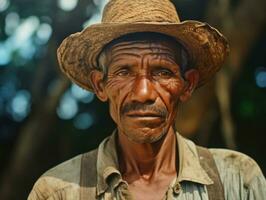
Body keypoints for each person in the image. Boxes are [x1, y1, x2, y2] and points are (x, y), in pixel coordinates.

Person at [28, 0, 266, 199]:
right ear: (100, 85)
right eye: (124, 72)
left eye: (163, 72)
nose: (143, 93)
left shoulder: (238, 180)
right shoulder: (57, 192)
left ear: (187, 85)